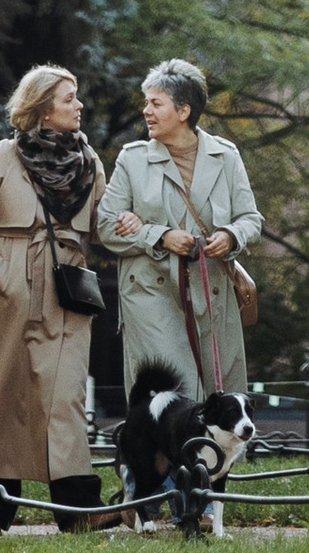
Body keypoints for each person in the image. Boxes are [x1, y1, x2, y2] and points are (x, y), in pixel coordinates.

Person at [0, 62, 108, 526]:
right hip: (10, 280)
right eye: (68, 98)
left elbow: (103, 225)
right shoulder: (4, 155)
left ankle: (79, 511)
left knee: (66, 396)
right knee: (2, 395)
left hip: (67, 286)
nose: (78, 105)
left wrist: (140, 226)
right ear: (41, 108)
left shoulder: (89, 161)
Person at [97, 57, 263, 413]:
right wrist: (158, 236)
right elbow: (105, 226)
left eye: (155, 103)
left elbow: (251, 218)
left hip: (213, 291)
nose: (146, 111)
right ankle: (164, 465)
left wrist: (232, 236)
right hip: (150, 293)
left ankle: (209, 464)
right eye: (146, 103)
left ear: (184, 110)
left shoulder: (226, 156)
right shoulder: (132, 159)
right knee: (174, 386)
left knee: (218, 384)